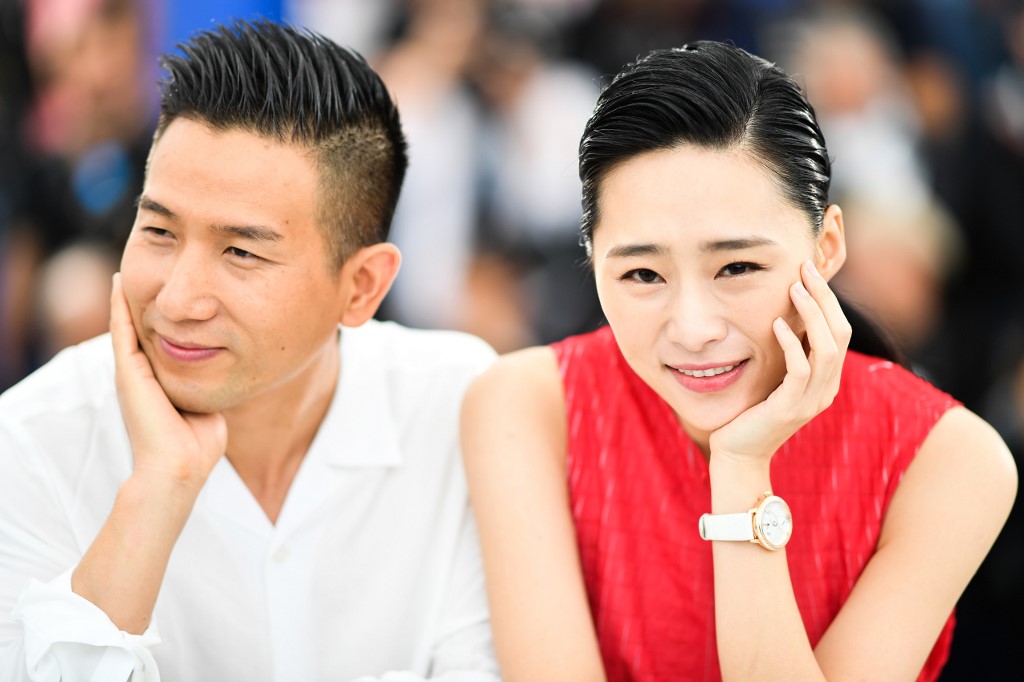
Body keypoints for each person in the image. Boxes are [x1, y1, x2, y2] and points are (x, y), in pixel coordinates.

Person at [460, 41, 1017, 682]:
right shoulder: (528, 405)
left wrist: (742, 467)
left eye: (738, 267)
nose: (694, 329)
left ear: (828, 247)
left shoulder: (947, 457)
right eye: (643, 273)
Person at [0, 20, 500, 681]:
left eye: (241, 251)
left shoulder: (462, 407)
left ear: (362, 287)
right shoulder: (31, 442)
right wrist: (157, 491)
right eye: (158, 230)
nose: (177, 300)